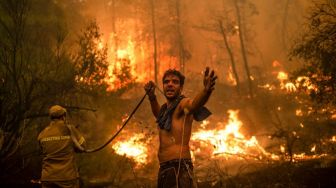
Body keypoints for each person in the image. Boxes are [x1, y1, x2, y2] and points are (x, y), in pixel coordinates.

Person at [144, 67, 217, 188]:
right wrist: (152, 97)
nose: (170, 84)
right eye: (166, 82)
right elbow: (158, 114)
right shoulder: (164, 111)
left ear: (181, 87)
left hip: (179, 167)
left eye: (175, 82)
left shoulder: (182, 104)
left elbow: (194, 105)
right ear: (162, 86)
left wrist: (206, 91)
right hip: (164, 168)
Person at [38, 105, 86, 188]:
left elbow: (43, 150)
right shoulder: (70, 130)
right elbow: (83, 146)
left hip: (48, 178)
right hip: (67, 178)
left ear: (51, 117)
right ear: (63, 117)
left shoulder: (42, 134)